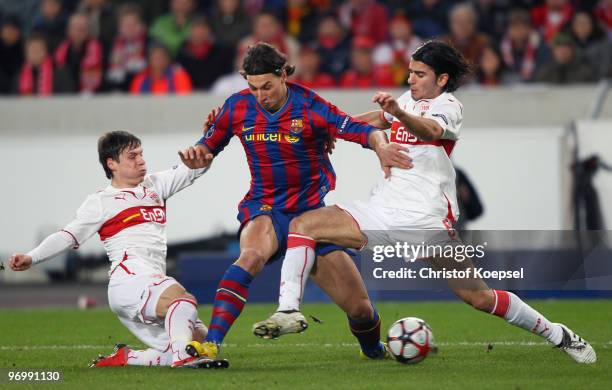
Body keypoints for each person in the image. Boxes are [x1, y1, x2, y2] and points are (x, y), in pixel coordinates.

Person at [254, 40, 597, 365]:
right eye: (410, 72)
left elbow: (431, 132)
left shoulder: (449, 106)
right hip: (383, 209)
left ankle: (559, 334)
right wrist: (333, 129)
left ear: (442, 79)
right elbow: (377, 119)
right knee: (304, 225)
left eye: (419, 74)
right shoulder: (407, 99)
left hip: (425, 219)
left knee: (479, 297)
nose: (411, 79)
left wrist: (397, 113)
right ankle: (288, 310)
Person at [178, 42, 412, 362]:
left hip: (312, 215)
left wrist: (381, 146)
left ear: (284, 75)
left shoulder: (310, 106)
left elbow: (355, 129)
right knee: (251, 255)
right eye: (253, 87)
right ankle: (211, 344)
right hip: (265, 207)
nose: (260, 94)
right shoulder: (237, 107)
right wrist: (197, 156)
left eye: (267, 86)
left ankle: (373, 350)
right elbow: (208, 146)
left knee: (359, 308)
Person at [7, 131, 217, 368]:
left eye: (141, 154)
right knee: (183, 301)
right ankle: (182, 357)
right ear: (112, 163)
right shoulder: (101, 201)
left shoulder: (155, 186)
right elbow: (67, 236)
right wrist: (31, 257)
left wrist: (209, 142)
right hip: (129, 282)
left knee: (202, 344)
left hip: (151, 283)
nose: (141, 160)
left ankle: (130, 357)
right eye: (132, 156)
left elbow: (192, 169)